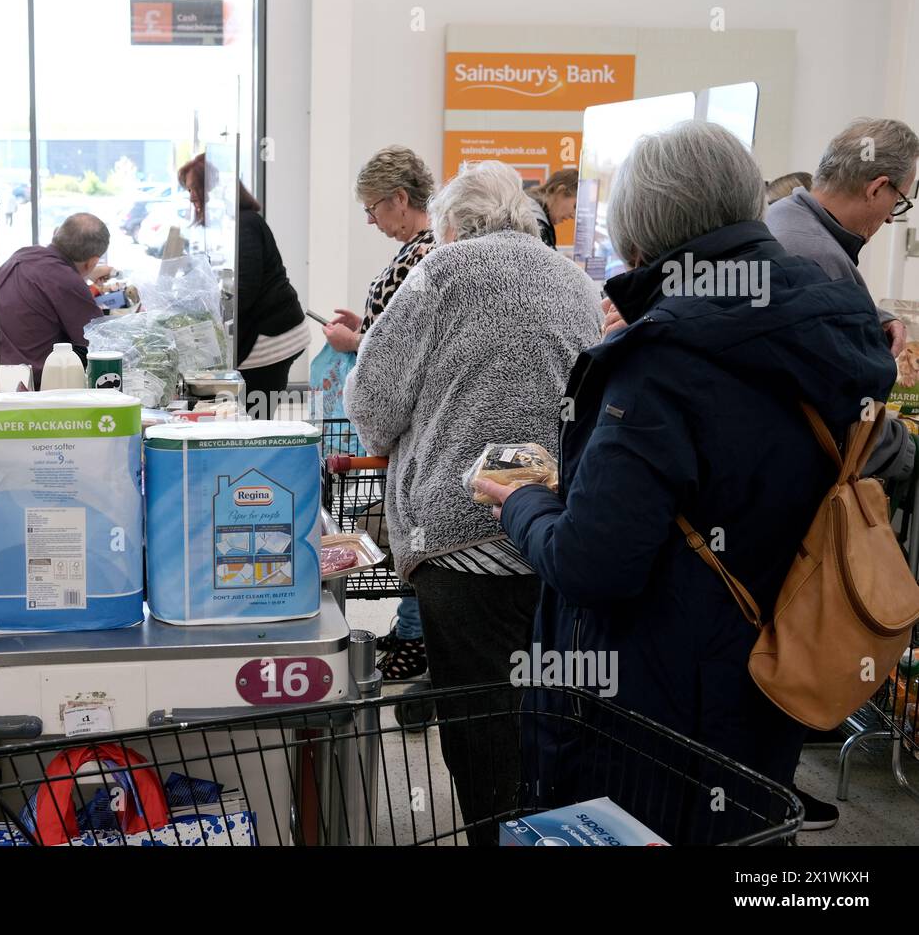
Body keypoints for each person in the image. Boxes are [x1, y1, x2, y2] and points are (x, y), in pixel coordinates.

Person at [483, 122, 898, 839]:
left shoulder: (657, 365)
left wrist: (523, 503)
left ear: (639, 235)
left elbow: (596, 562)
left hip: (649, 707)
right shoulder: (842, 319)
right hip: (775, 670)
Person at [346, 161, 602, 841]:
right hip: (557, 531)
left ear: (451, 225)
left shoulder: (440, 273)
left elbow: (371, 401)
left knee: (478, 716)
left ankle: (495, 833)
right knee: (546, 712)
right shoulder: (575, 281)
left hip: (462, 534)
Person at [325, 145, 439, 681]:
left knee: (410, 533)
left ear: (399, 198)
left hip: (414, 427)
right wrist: (362, 330)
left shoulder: (427, 254)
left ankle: (417, 638)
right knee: (403, 531)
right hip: (409, 423)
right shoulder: (422, 250)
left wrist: (355, 343)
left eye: (373, 209)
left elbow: (405, 352)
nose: (371, 221)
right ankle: (411, 626)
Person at [765, 118, 918, 358]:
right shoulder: (818, 257)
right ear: (876, 189)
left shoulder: (778, 214)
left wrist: (877, 319)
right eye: (898, 201)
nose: (890, 218)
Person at [178, 154, 306, 418]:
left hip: (272, 339)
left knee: (253, 419)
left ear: (211, 188)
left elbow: (244, 292)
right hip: (263, 335)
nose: (191, 197)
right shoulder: (232, 225)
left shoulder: (246, 224)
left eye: (193, 189)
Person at [0, 213, 113, 389]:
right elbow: (100, 340)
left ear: (56, 233)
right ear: (92, 263)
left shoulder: (21, 255)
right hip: (38, 384)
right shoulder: (68, 282)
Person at [525, 169, 579, 249]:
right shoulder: (536, 223)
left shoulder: (529, 208)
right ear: (561, 191)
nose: (573, 216)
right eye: (575, 206)